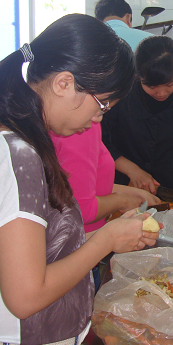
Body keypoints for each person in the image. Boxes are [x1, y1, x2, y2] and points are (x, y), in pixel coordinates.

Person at [0, 14, 159, 345]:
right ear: (64, 83)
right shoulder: (15, 157)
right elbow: (26, 296)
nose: (99, 118)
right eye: (102, 104)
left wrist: (113, 235)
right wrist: (105, 240)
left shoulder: (23, 147)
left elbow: (44, 249)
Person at [50, 118, 160, 291]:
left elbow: (81, 186)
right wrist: (122, 201)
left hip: (86, 252)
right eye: (103, 106)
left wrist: (130, 193)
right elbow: (83, 209)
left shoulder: (87, 123)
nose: (100, 116)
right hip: (75, 258)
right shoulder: (79, 126)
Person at [102, 35, 173, 196]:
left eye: (169, 84)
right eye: (151, 86)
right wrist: (133, 171)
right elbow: (101, 142)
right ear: (138, 76)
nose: (161, 93)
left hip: (166, 189)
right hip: (120, 189)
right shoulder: (120, 96)